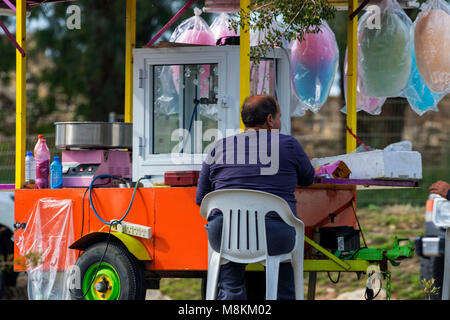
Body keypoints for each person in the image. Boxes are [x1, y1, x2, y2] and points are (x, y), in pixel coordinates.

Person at [195, 95, 315, 300]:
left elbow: (201, 198)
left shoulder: (218, 147)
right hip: (274, 235)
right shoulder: (289, 145)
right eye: (279, 117)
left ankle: (231, 296)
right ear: (270, 119)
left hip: (224, 234)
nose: (280, 122)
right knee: (283, 257)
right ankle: (283, 296)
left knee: (230, 275)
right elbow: (308, 179)